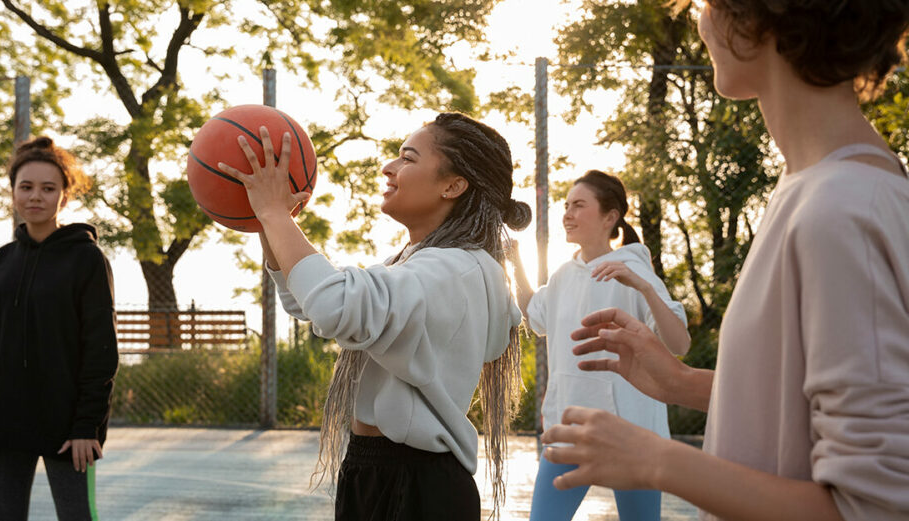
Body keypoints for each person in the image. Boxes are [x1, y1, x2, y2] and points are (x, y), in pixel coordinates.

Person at [540, 2, 909, 521]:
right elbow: (802, 411)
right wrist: (679, 383)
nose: (699, 18)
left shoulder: (841, 209)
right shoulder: (815, 187)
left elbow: (872, 508)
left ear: (760, 20)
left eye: (708, 3)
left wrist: (657, 460)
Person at [217, 112, 531, 520]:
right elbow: (311, 303)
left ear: (453, 185)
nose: (389, 166)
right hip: (374, 470)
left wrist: (276, 214)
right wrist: (268, 221)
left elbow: (334, 305)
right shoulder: (417, 263)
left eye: (408, 158)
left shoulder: (456, 270)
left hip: (417, 484)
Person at [0, 137, 118, 521]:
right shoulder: (3, 260)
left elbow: (101, 350)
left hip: (68, 427)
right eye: (25, 187)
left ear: (64, 196)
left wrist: (86, 426)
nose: (35, 197)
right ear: (12, 192)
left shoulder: (86, 258)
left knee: (77, 516)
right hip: (5, 420)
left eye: (48, 188)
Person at [506, 170, 689, 521]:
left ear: (610, 217)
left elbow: (679, 342)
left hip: (631, 434)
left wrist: (646, 289)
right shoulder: (563, 274)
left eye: (578, 205)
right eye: (566, 206)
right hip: (571, 427)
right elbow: (535, 313)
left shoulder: (633, 271)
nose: (567, 214)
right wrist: (516, 261)